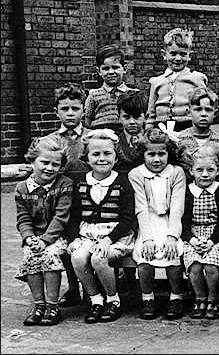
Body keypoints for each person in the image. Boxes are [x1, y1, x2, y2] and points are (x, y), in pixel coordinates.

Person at [66, 129, 137, 324]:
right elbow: (74, 215)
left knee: (99, 258)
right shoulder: (81, 183)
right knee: (78, 257)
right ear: (87, 158)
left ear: (116, 157)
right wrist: (75, 238)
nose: (101, 158)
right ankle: (96, 299)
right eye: (95, 154)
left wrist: (108, 240)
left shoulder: (122, 182)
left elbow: (127, 217)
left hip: (115, 235)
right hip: (87, 234)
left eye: (107, 154)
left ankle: (113, 300)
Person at [128, 128, 187, 320]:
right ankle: (147, 298)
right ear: (143, 155)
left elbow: (177, 207)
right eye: (151, 154)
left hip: (171, 221)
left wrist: (172, 237)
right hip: (148, 222)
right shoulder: (136, 174)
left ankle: (176, 297)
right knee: (144, 255)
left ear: (169, 154)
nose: (156, 159)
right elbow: (141, 208)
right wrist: (147, 239)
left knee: (174, 252)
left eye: (161, 154)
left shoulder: (176, 173)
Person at [14, 136, 72, 326]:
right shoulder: (22, 188)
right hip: (36, 237)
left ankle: (52, 305)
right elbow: (23, 218)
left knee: (49, 255)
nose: (49, 168)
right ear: (32, 160)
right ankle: (39, 304)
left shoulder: (64, 185)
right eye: (44, 162)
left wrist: (45, 240)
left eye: (55, 164)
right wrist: (29, 238)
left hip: (59, 236)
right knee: (30, 255)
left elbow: (61, 217)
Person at [45, 83, 90, 307]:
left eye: (75, 108)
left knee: (88, 242)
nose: (70, 113)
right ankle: (73, 287)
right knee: (67, 243)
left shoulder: (92, 138)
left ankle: (92, 288)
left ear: (84, 110)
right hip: (62, 201)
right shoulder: (51, 141)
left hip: (89, 199)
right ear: (57, 112)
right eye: (65, 109)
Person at [181, 145, 219, 320]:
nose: (205, 175)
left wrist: (211, 241)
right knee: (194, 265)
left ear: (218, 171)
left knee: (211, 265)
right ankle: (199, 299)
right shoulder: (187, 191)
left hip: (215, 235)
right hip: (193, 235)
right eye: (199, 170)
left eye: (210, 170)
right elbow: (183, 221)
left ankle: (213, 300)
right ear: (191, 170)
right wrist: (192, 239)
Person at [146, 28, 208, 132]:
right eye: (173, 54)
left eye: (183, 54)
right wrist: (149, 127)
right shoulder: (156, 82)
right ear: (164, 54)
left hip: (188, 125)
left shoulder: (196, 79)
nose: (178, 58)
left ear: (189, 56)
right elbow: (151, 110)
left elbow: (203, 106)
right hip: (161, 127)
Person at [177, 87, 219, 186]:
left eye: (208, 110)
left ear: (215, 113)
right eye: (198, 109)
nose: (203, 114)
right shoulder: (181, 140)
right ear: (189, 112)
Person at [84, 44, 138, 132]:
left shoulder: (134, 94)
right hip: (101, 138)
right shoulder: (93, 95)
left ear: (124, 69)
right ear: (99, 71)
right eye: (106, 68)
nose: (111, 72)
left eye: (115, 67)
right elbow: (88, 122)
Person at [114, 90, 148, 174]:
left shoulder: (152, 140)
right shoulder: (115, 142)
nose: (132, 122)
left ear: (146, 117)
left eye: (136, 117)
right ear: (119, 117)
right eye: (126, 117)